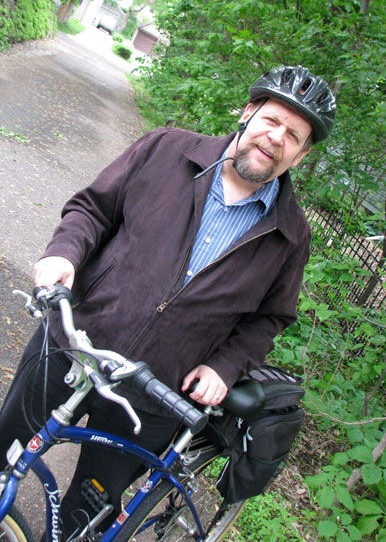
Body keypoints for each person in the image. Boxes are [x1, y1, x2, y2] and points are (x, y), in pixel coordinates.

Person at [0, 65, 336, 534]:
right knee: (5, 456)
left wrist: (225, 365)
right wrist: (62, 255)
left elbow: (270, 318)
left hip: (153, 396)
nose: (276, 137)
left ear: (299, 155)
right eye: (270, 120)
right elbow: (92, 210)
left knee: (87, 515)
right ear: (247, 113)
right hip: (73, 343)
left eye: (293, 135)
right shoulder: (165, 150)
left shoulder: (291, 236)